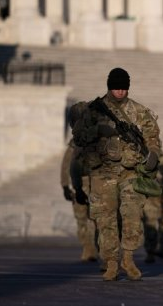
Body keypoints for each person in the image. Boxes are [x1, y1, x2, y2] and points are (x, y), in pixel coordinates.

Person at [72, 67, 161, 281]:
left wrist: (154, 155)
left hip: (131, 171)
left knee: (132, 215)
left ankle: (128, 259)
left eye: (123, 88)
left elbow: (152, 136)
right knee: (105, 219)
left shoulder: (139, 111)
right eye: (116, 88)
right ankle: (111, 262)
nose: (120, 92)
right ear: (109, 87)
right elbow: (79, 137)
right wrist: (98, 131)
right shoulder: (94, 110)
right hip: (103, 172)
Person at [61, 102, 98, 263]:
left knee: (96, 219)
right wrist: (65, 185)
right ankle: (88, 248)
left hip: (96, 183)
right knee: (82, 218)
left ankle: (97, 248)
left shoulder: (98, 138)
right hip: (80, 183)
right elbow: (67, 163)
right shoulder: (75, 142)